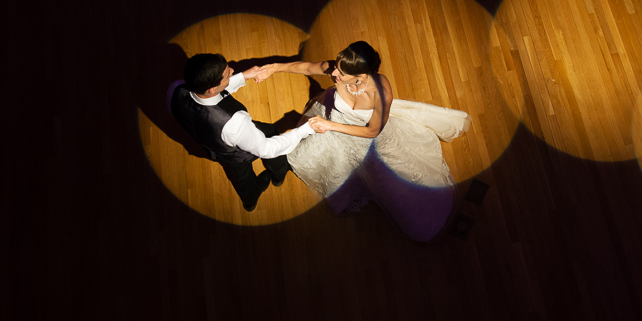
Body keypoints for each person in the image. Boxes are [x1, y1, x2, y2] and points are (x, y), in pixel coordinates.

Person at [261, 42, 471, 241]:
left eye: (341, 74)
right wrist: (274, 68)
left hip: (368, 140)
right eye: (336, 68)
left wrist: (331, 126)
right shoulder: (340, 69)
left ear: (361, 76)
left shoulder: (380, 92)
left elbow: (372, 131)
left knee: (386, 179)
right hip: (333, 122)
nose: (334, 73)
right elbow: (307, 67)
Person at [170, 54, 315, 212]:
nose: (232, 70)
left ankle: (250, 201)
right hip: (237, 147)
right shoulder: (235, 122)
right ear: (211, 89)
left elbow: (214, 94)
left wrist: (244, 76)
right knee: (271, 133)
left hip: (214, 147)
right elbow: (266, 149)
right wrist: (306, 129)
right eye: (227, 74)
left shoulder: (176, 90)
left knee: (241, 176)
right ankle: (279, 174)